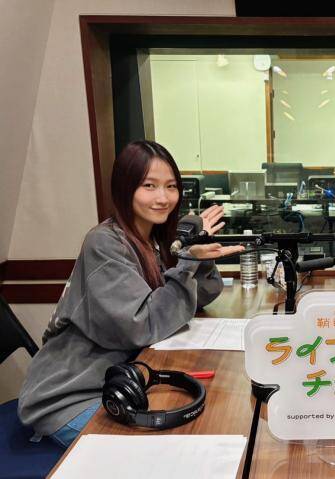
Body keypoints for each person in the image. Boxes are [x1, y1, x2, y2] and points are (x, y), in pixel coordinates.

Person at [18, 140, 244, 447]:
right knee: (172, 447)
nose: (163, 197)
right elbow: (142, 325)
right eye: (149, 186)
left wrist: (195, 252)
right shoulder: (105, 243)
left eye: (171, 186)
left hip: (125, 382)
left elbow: (197, 298)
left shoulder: (156, 239)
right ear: (125, 188)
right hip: (71, 397)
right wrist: (187, 262)